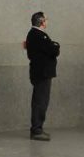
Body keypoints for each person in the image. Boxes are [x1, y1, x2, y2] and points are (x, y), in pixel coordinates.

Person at [25, 12, 60, 141]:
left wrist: (54, 46)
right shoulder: (38, 35)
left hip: (40, 72)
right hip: (42, 73)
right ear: (41, 21)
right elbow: (54, 50)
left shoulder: (34, 35)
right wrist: (56, 45)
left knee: (40, 101)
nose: (46, 21)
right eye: (45, 19)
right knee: (40, 102)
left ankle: (37, 128)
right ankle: (37, 130)